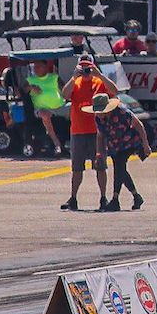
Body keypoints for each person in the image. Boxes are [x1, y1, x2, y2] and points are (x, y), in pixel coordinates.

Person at [60, 56, 118, 211]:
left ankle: (103, 198)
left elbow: (114, 91)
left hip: (96, 132)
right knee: (76, 168)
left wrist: (99, 75)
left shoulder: (99, 82)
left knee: (100, 166)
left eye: (88, 67)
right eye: (83, 67)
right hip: (78, 131)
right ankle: (73, 198)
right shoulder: (76, 83)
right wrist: (74, 77)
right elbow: (64, 95)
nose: (86, 71)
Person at [85, 91, 151, 212]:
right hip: (114, 145)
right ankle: (136, 196)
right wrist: (99, 153)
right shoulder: (98, 118)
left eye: (101, 110)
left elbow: (139, 125)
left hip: (129, 142)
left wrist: (146, 145)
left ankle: (115, 199)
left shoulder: (122, 112)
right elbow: (100, 135)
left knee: (119, 167)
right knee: (121, 171)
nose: (98, 113)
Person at [25, 59, 69, 155]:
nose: (35, 69)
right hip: (42, 109)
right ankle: (57, 144)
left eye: (38, 66)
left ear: (45, 67)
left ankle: (76, 138)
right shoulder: (30, 80)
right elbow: (21, 90)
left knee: (77, 108)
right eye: (34, 67)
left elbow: (65, 88)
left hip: (60, 106)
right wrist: (32, 87)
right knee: (44, 115)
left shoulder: (54, 77)